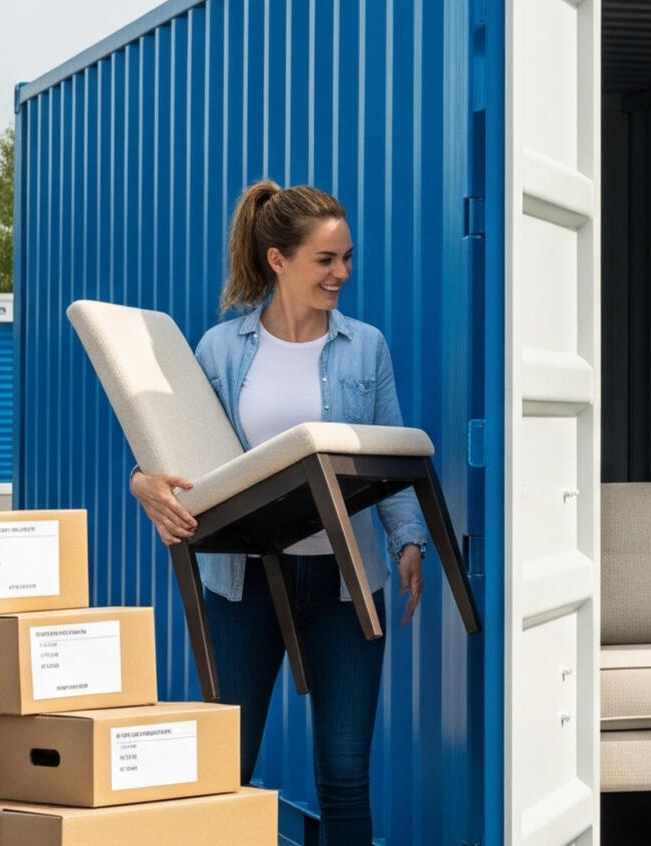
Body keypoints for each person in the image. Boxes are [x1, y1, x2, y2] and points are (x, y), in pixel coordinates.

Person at [128, 180, 431, 845]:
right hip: (244, 588)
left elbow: (390, 454)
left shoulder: (367, 347)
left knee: (345, 776)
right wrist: (141, 483)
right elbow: (176, 454)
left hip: (346, 584)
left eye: (346, 258)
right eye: (325, 259)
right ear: (278, 259)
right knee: (226, 768)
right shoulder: (220, 349)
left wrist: (408, 540)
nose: (341, 272)